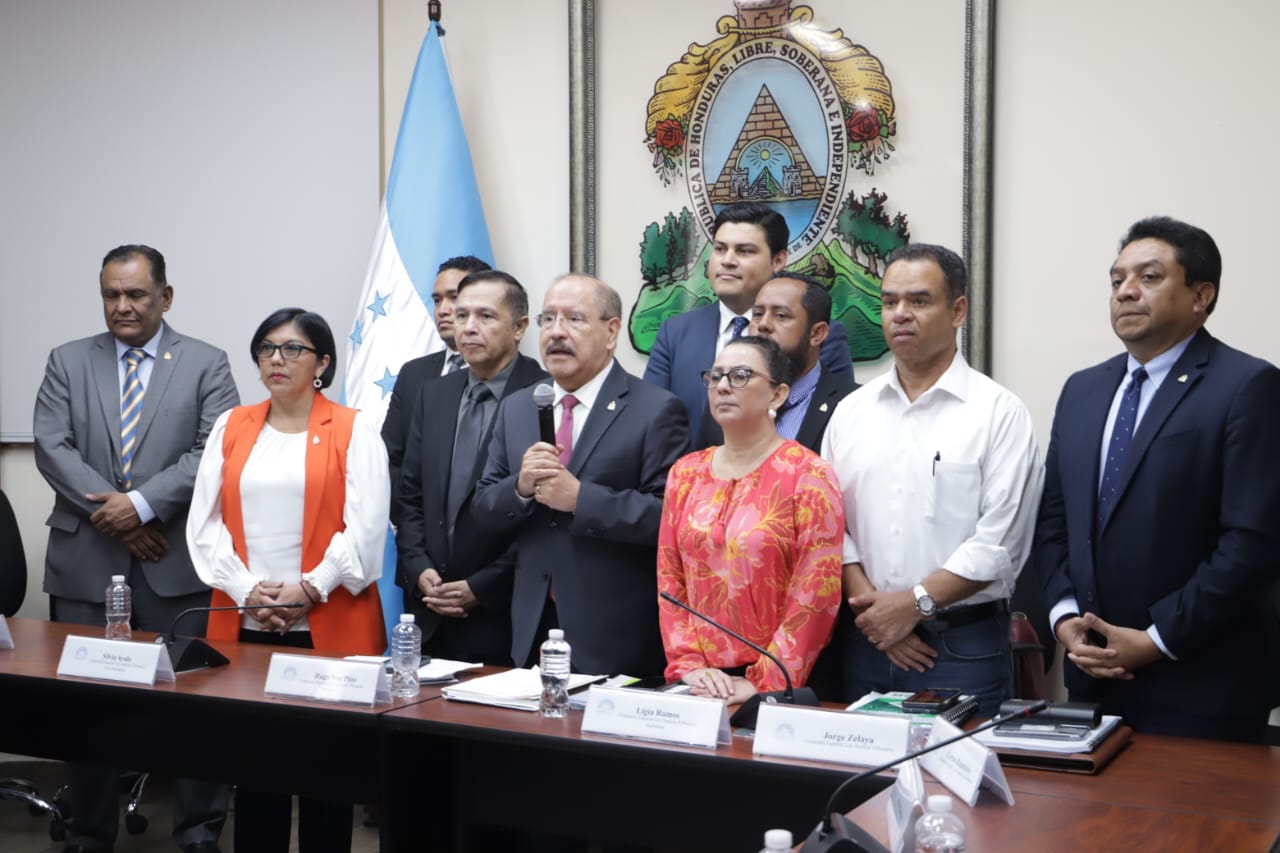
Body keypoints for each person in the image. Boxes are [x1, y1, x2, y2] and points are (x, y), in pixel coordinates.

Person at [1035, 217, 1280, 742]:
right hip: (1092, 682)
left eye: (1148, 277)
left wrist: (1157, 637)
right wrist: (1063, 617)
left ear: (1201, 295)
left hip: (1201, 686)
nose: (1125, 291)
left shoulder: (1248, 386)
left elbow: (1252, 543)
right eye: (1116, 279)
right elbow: (1054, 520)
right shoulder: (1082, 390)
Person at [33, 244, 237, 853]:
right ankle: (89, 833)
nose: (121, 306)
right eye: (110, 295)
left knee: (196, 710)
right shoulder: (67, 361)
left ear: (165, 297)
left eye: (135, 294)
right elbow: (52, 446)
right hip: (85, 566)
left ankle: (199, 835)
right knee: (86, 712)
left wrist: (143, 506)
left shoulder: (207, 362)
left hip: (174, 567)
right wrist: (119, 518)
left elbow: (211, 452)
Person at [186, 308, 388, 852]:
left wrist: (310, 587)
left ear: (323, 362)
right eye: (267, 348)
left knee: (328, 777)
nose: (278, 359)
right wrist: (247, 591)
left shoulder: (353, 427)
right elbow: (204, 524)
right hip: (246, 622)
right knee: (256, 775)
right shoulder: (233, 425)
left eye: (294, 349)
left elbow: (366, 530)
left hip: (329, 625)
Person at [821, 243, 1043, 716]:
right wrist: (878, 618)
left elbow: (999, 545)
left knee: (960, 784)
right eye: (889, 302)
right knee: (861, 783)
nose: (900, 314)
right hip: (867, 642)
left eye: (918, 301)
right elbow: (830, 527)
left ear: (957, 310)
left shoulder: (998, 413)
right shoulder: (850, 414)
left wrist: (912, 606)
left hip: (962, 647)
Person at [472, 274, 689, 677]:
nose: (557, 332)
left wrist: (580, 499)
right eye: (548, 319)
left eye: (573, 319)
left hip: (613, 632)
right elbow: (483, 508)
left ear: (611, 332)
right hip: (532, 625)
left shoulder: (655, 410)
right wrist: (520, 488)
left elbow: (669, 518)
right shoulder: (518, 407)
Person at [658, 335, 843, 703]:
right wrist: (690, 666)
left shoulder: (807, 473)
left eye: (741, 375)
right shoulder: (686, 472)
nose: (723, 386)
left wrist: (765, 682)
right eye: (716, 376)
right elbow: (670, 579)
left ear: (777, 394)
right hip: (699, 682)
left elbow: (816, 594)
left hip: (779, 685)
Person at [395, 270, 547, 665]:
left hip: (506, 614)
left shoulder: (544, 396)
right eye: (461, 316)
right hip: (429, 609)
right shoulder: (435, 394)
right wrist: (417, 566)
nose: (468, 328)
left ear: (519, 328)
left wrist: (481, 586)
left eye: (485, 316)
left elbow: (543, 516)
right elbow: (410, 495)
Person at [644, 202, 852, 437]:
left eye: (744, 251)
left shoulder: (821, 335)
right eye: (720, 249)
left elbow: (837, 418)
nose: (728, 261)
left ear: (778, 260)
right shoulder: (675, 333)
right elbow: (652, 426)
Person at [697, 273, 857, 451]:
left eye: (781, 316)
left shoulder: (854, 405)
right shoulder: (727, 397)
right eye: (757, 314)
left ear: (816, 334)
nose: (763, 324)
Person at [382, 255, 492, 505]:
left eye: (454, 297)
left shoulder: (511, 374)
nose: (443, 309)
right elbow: (389, 459)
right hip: (417, 532)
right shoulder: (413, 374)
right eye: (437, 300)